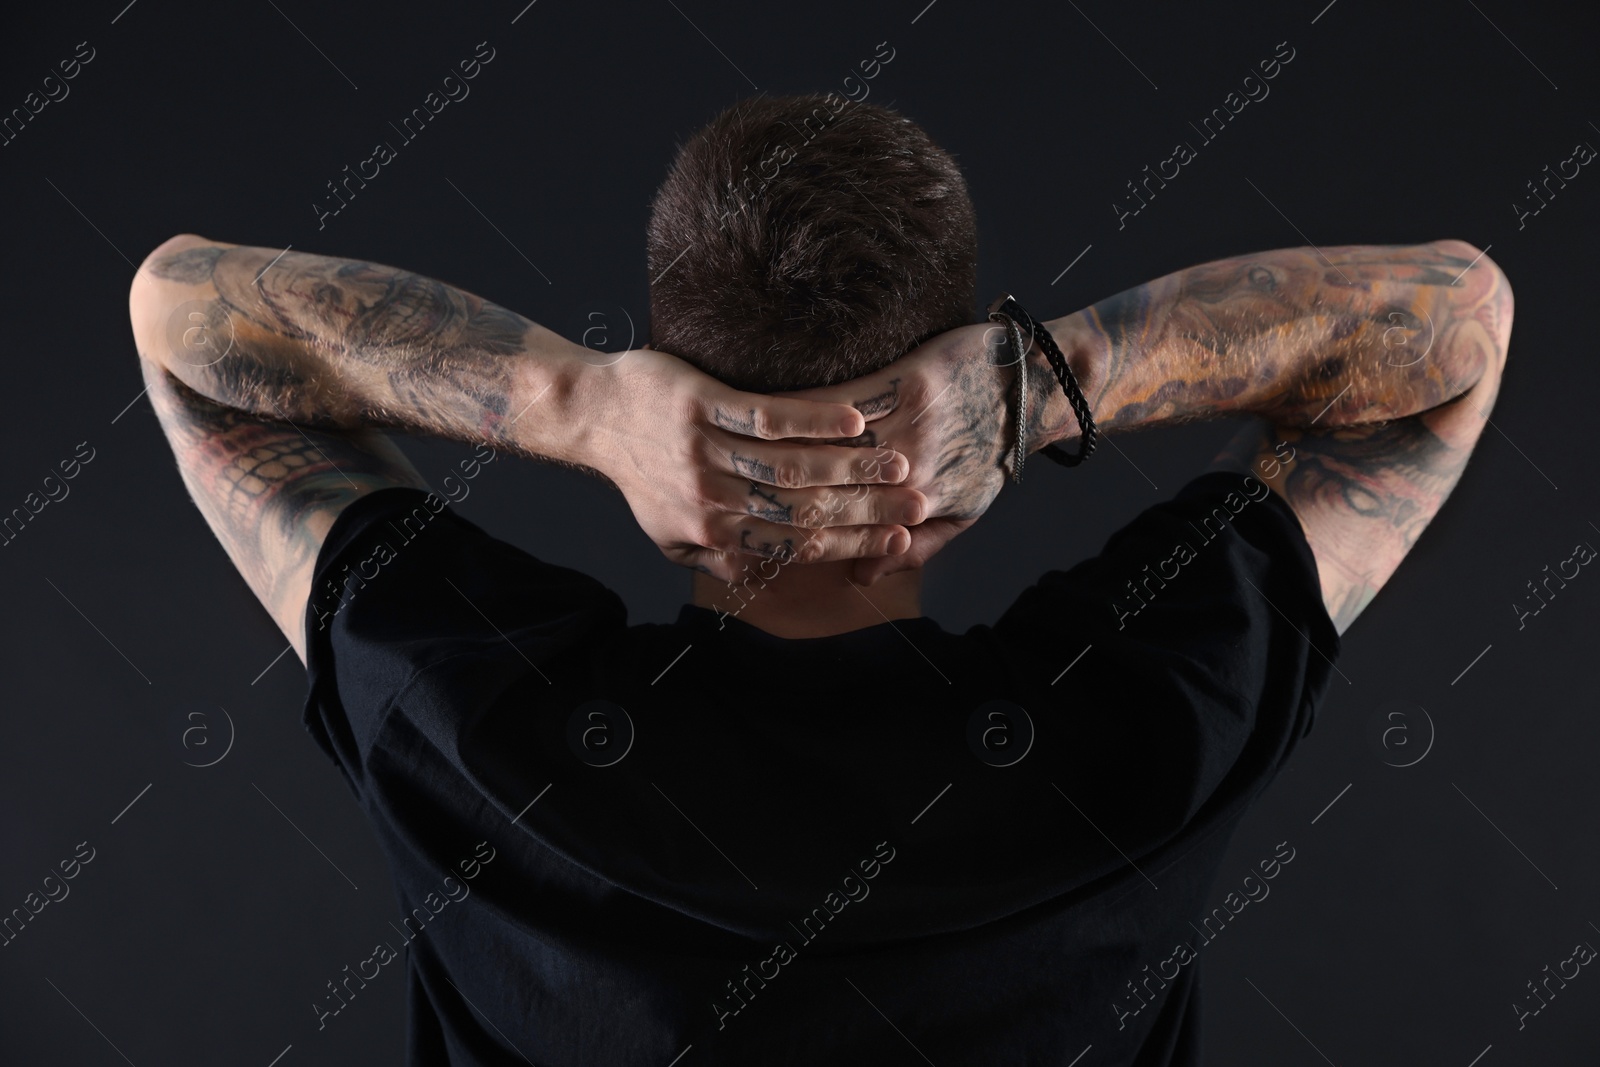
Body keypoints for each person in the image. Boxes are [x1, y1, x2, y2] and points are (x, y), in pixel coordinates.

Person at [127, 94, 1511, 1065]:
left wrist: (578, 406)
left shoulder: (474, 722)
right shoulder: (1140, 732)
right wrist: (1050, 378)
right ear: (954, 479)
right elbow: (1460, 325)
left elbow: (182, 310)